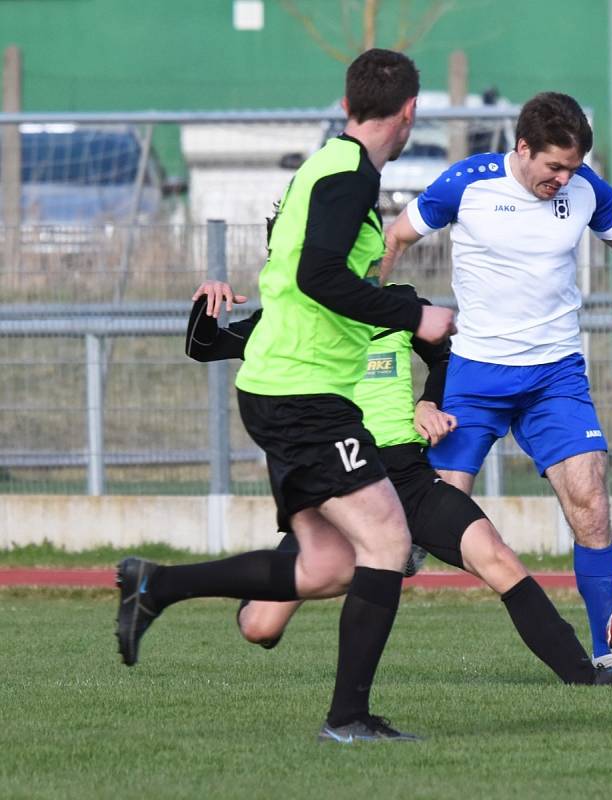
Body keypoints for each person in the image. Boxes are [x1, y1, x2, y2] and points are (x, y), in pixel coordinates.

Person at [116, 48, 457, 745]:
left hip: (284, 388)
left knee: (329, 566)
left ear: (345, 105)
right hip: (301, 395)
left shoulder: (328, 168)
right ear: (411, 112)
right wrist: (413, 315)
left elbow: (300, 280)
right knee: (389, 539)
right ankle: (348, 718)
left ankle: (156, 586)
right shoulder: (350, 175)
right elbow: (316, 277)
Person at [185, 278, 612, 689]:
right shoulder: (290, 318)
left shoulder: (398, 304)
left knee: (496, 555)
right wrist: (206, 306)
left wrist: (428, 402)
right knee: (260, 627)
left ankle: (584, 674)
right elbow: (204, 346)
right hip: (342, 482)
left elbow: (448, 357)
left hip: (407, 475)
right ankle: (355, 566)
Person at [381, 91, 612, 667]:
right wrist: (368, 309)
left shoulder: (587, 190)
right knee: (435, 518)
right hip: (475, 375)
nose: (563, 178)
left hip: (555, 377)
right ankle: (373, 560)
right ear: (522, 147)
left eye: (572, 167)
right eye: (553, 166)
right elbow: (397, 239)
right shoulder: (466, 182)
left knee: (591, 504)